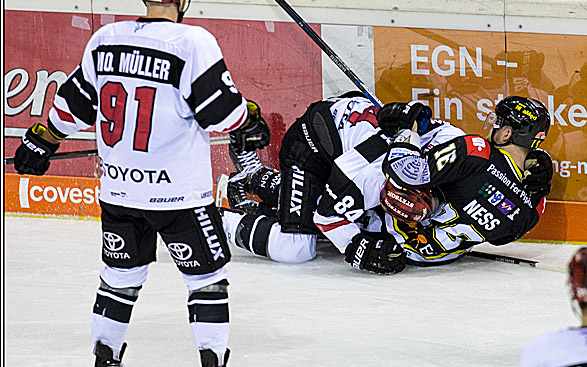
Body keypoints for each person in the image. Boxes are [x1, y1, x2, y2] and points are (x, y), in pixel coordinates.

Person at [11, 0, 271, 367]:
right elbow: (224, 117)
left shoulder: (105, 38)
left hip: (118, 192)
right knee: (206, 281)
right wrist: (249, 116)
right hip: (179, 196)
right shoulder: (194, 42)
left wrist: (40, 141)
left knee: (119, 280)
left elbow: (71, 107)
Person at [223, 95, 553, 274]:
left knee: (359, 214)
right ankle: (218, 212)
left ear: (507, 133)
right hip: (322, 143)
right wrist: (356, 248)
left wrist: (411, 127)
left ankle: (253, 186)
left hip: (368, 155)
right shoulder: (389, 166)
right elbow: (329, 211)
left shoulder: (465, 158)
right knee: (295, 248)